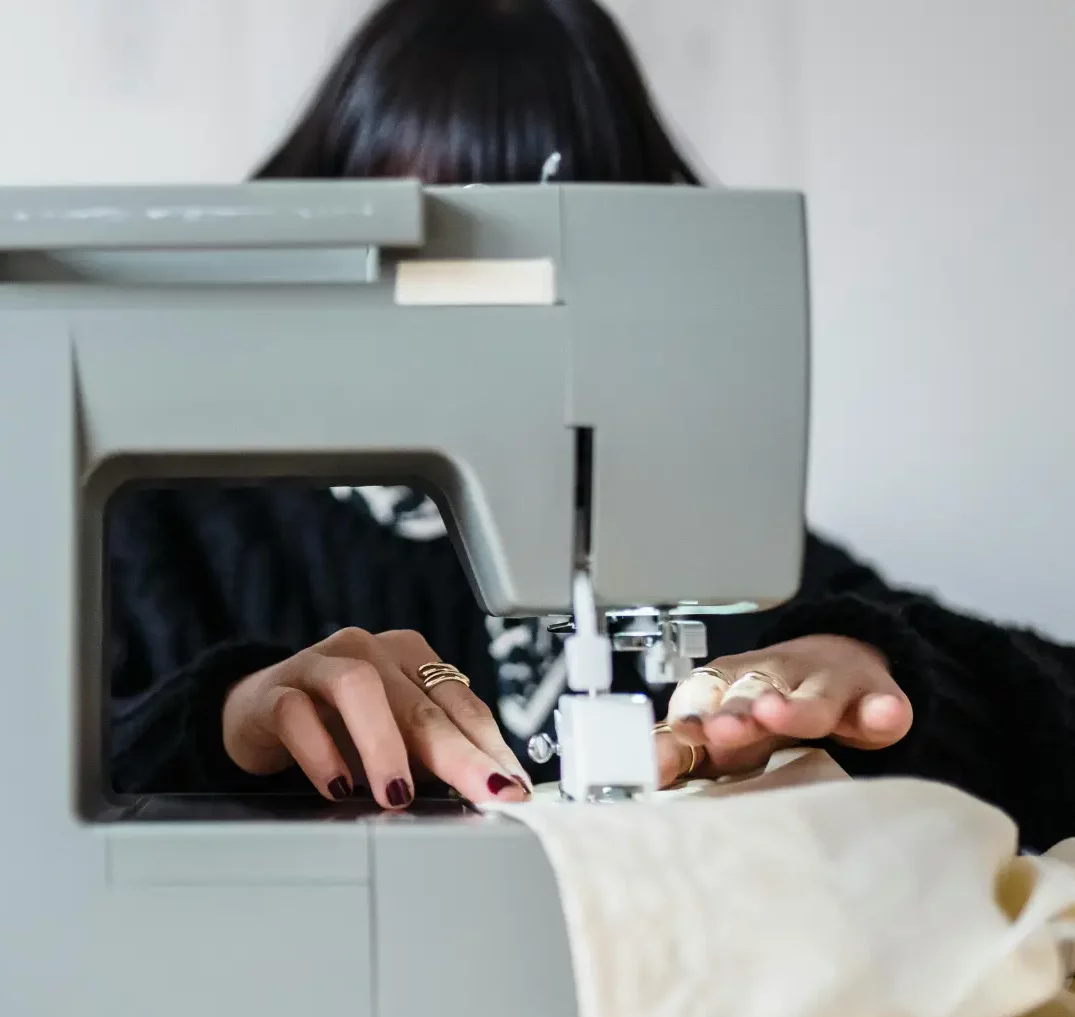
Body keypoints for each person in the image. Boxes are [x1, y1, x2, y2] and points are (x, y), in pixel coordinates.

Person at [108, 0, 1075, 852]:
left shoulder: (692, 537)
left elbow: (1055, 718)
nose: (493, 340)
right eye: (448, 284)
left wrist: (881, 673)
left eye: (544, 302)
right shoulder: (158, 537)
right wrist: (223, 721)